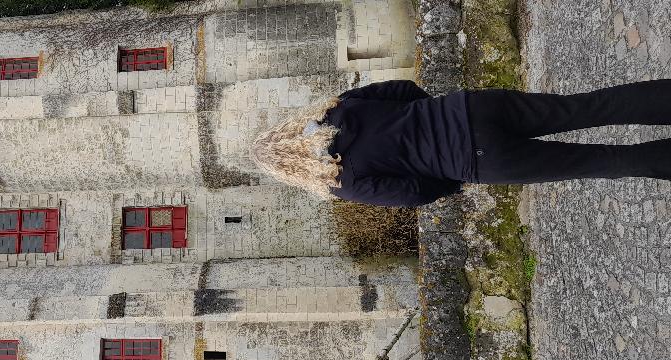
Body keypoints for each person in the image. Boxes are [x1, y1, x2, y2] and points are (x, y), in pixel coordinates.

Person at [251, 79, 671, 207]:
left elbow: (412, 193)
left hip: (478, 159)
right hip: (472, 109)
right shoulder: (337, 107)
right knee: (590, 106)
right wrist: (435, 114)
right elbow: (403, 89)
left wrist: (449, 180)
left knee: (603, 161)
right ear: (288, 130)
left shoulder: (343, 181)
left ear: (290, 172)